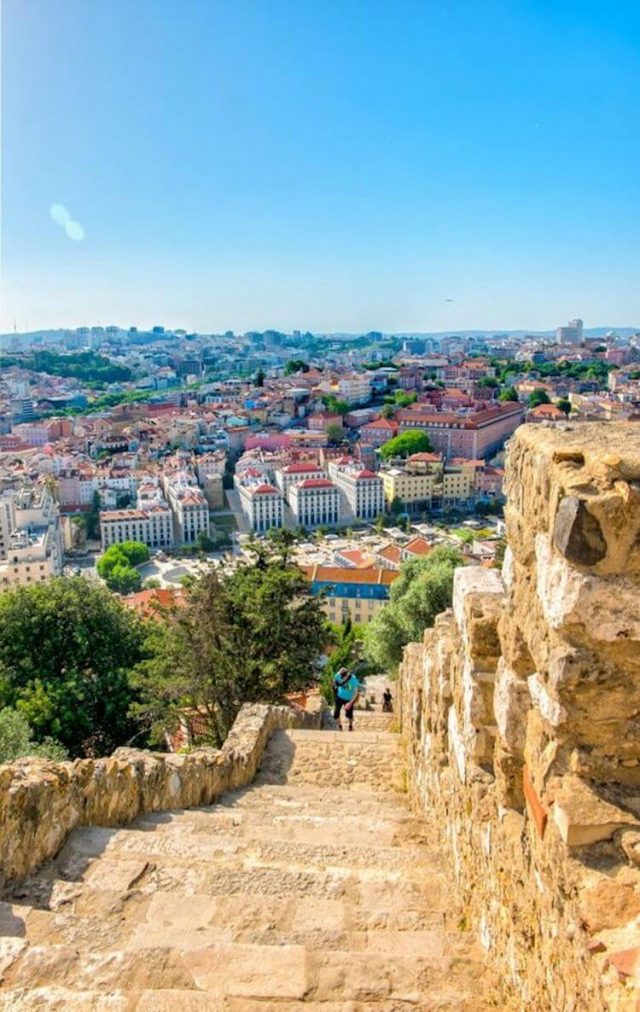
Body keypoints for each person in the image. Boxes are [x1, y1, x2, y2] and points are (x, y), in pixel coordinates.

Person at [332, 666, 363, 731]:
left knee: (349, 715)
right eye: (341, 677)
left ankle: (350, 725)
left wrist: (350, 703)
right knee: (336, 713)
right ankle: (340, 726)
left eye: (343, 677)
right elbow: (335, 681)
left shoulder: (353, 680)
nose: (341, 678)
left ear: (346, 675)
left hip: (349, 699)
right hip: (339, 696)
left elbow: (356, 693)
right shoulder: (338, 675)